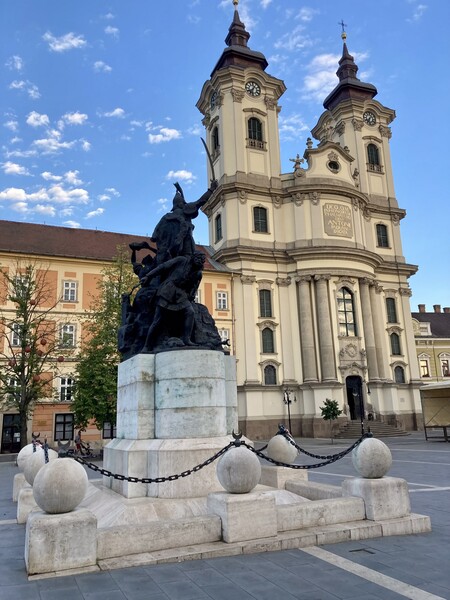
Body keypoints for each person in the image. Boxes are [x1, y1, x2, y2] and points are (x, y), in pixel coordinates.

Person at [142, 252, 206, 351]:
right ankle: (146, 346)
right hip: (167, 290)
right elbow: (163, 267)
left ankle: (186, 339)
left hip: (181, 294)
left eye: (202, 260)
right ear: (193, 257)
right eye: (198, 258)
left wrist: (191, 294)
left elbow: (194, 288)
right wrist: (148, 276)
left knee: (190, 312)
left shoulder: (198, 273)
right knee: (157, 320)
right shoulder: (181, 260)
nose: (199, 261)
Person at [151, 181, 217, 264]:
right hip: (185, 244)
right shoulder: (186, 209)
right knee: (188, 262)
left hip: (168, 251)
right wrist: (211, 189)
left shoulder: (165, 217)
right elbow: (201, 201)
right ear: (181, 204)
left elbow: (154, 236)